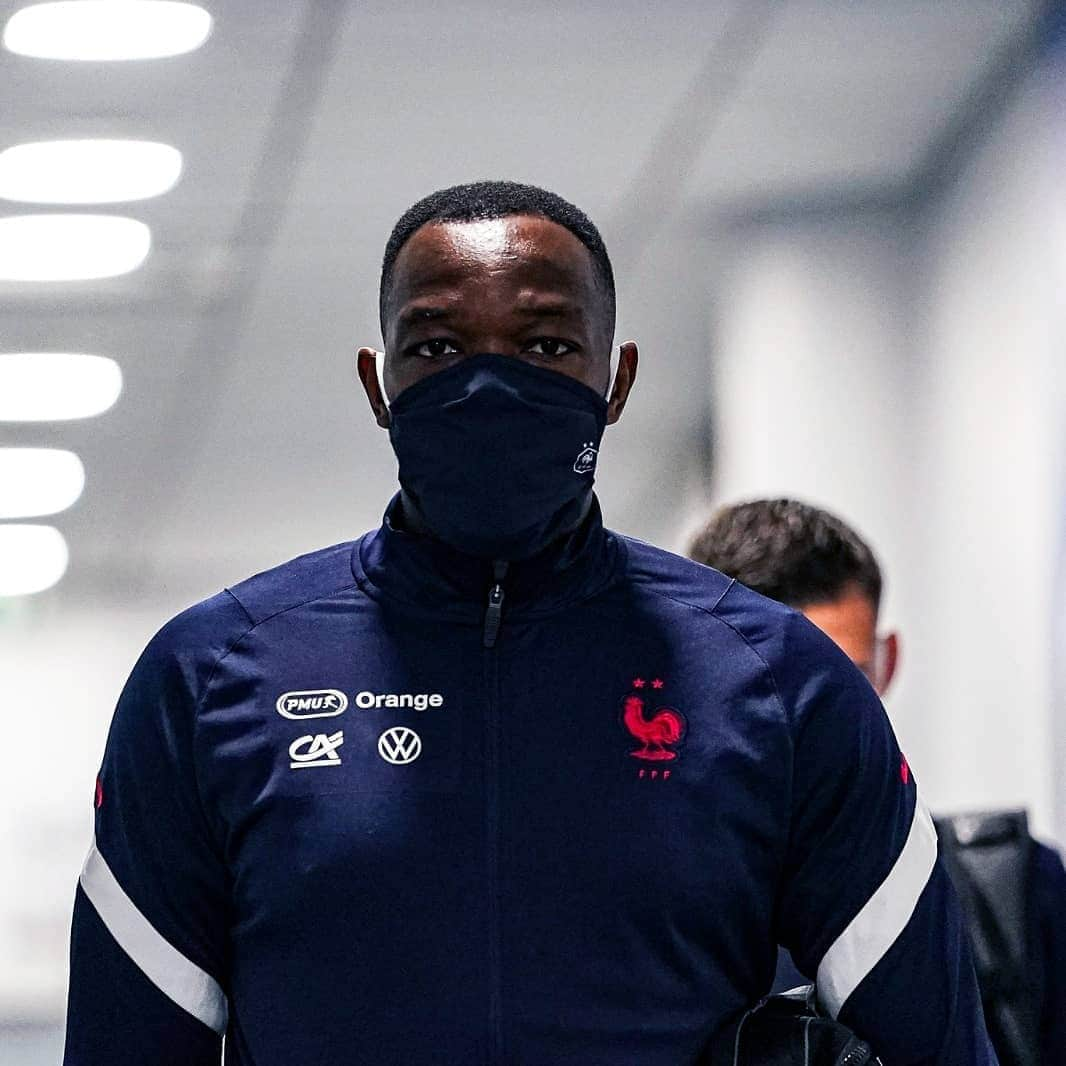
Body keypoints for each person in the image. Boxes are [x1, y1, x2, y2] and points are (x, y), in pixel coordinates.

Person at [63, 182, 994, 1065]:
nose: (490, 390)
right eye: (437, 349)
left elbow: (932, 1043)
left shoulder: (780, 683)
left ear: (616, 380)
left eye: (547, 348)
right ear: (377, 382)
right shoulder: (213, 677)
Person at [689, 497, 1066, 1064]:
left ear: (888, 662)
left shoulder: (1018, 897)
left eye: (845, 683)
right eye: (776, 693)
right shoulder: (657, 930)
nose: (820, 726)